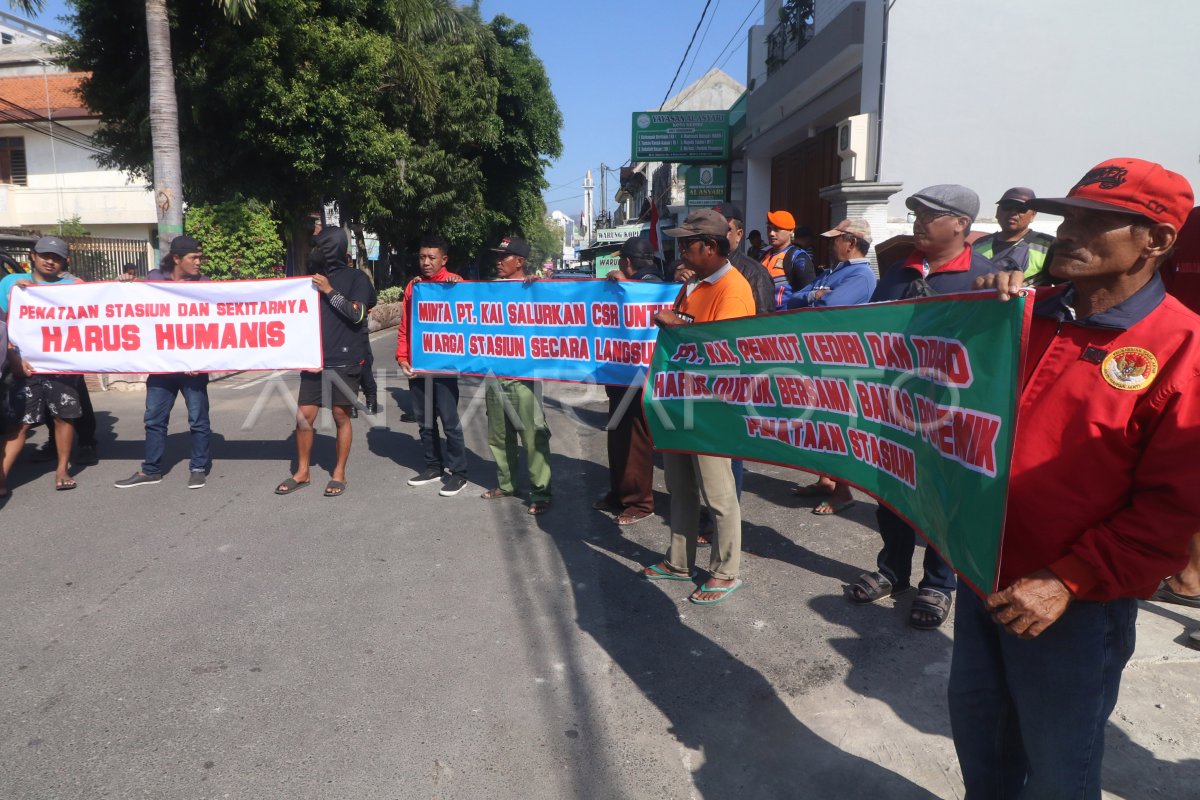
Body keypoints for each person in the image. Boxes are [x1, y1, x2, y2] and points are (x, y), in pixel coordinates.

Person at [957, 157, 1200, 797]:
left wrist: (1067, 579)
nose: (1068, 232)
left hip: (1072, 603)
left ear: (1157, 242)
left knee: (1060, 771)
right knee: (982, 744)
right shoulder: (1021, 313)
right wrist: (980, 313)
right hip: (980, 568)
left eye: (1101, 222)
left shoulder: (1183, 348)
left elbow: (1172, 511)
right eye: (1069, 216)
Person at [846, 184, 1001, 630]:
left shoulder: (984, 277)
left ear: (961, 224)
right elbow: (868, 332)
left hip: (949, 412)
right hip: (893, 406)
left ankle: (939, 582)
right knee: (891, 491)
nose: (917, 222)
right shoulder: (898, 271)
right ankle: (893, 570)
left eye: (929, 215)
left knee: (943, 498)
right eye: (915, 214)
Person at [642, 209, 755, 605]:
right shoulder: (696, 284)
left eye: (687, 243)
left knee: (719, 493)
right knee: (681, 486)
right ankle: (679, 561)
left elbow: (724, 347)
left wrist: (672, 323)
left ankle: (726, 571)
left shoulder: (733, 288)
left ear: (710, 247)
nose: (681, 249)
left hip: (713, 404)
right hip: (683, 397)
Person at [274, 226, 375, 498]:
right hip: (314, 361)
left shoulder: (357, 279)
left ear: (336, 249)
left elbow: (357, 315)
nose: (316, 252)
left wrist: (329, 290)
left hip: (345, 361)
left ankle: (339, 472)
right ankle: (302, 472)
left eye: (321, 246)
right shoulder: (308, 280)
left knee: (341, 416)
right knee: (303, 418)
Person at [787, 218, 878, 515]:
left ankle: (843, 490)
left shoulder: (861, 275)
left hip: (842, 361)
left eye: (835, 239)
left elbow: (831, 307)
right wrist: (814, 295)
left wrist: (813, 299)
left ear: (850, 242)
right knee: (820, 421)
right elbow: (794, 299)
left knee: (838, 426)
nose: (830, 244)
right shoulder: (837, 272)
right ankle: (826, 479)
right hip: (819, 357)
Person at [115, 235, 214, 489]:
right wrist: (122, 284)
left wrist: (202, 360)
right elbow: (128, 307)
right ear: (176, 258)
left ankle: (198, 467)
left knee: (198, 419)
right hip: (161, 366)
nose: (199, 262)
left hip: (192, 367)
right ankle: (151, 469)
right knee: (154, 419)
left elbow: (213, 326)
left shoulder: (204, 284)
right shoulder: (153, 280)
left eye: (200, 257)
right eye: (194, 257)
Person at [1, 236, 84, 491]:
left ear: (64, 262)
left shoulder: (72, 285)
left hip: (61, 365)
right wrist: (13, 358)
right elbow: (2, 326)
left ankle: (62, 469)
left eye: (57, 257)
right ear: (33, 256)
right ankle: (1, 478)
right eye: (46, 255)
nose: (50, 261)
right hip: (24, 365)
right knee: (20, 423)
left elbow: (98, 310)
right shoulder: (10, 283)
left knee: (63, 417)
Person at [480, 236, 553, 514]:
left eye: (504, 257)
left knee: (533, 436)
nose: (498, 261)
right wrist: (451, 288)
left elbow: (557, 312)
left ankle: (541, 493)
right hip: (495, 374)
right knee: (499, 436)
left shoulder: (533, 289)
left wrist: (539, 289)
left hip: (524, 377)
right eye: (498, 256)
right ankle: (507, 484)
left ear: (520, 261)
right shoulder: (490, 289)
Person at [595, 236, 663, 525]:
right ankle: (620, 492)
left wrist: (624, 283)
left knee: (635, 438)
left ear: (628, 262)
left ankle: (639, 501)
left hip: (639, 374)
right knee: (619, 435)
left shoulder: (650, 285)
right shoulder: (642, 283)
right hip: (623, 371)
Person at [396, 233, 468, 497]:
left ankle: (459, 473)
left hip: (446, 365)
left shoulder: (456, 285)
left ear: (444, 259)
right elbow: (405, 325)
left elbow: (473, 314)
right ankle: (433, 467)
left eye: (431, 257)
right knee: (425, 421)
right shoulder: (413, 287)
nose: (425, 262)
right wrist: (402, 357)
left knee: (449, 421)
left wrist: (459, 284)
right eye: (422, 257)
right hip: (418, 365)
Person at [971, 186, 1056, 284]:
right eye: (1007, 207)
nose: (1013, 212)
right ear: (997, 212)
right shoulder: (979, 245)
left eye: (1021, 209)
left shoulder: (1048, 246)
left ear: (1033, 215)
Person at [760, 210, 815, 309]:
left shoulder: (798, 258)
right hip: (762, 317)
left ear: (791, 231)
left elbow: (807, 295)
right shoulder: (763, 255)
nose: (771, 233)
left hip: (784, 319)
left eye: (777, 229)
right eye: (769, 228)